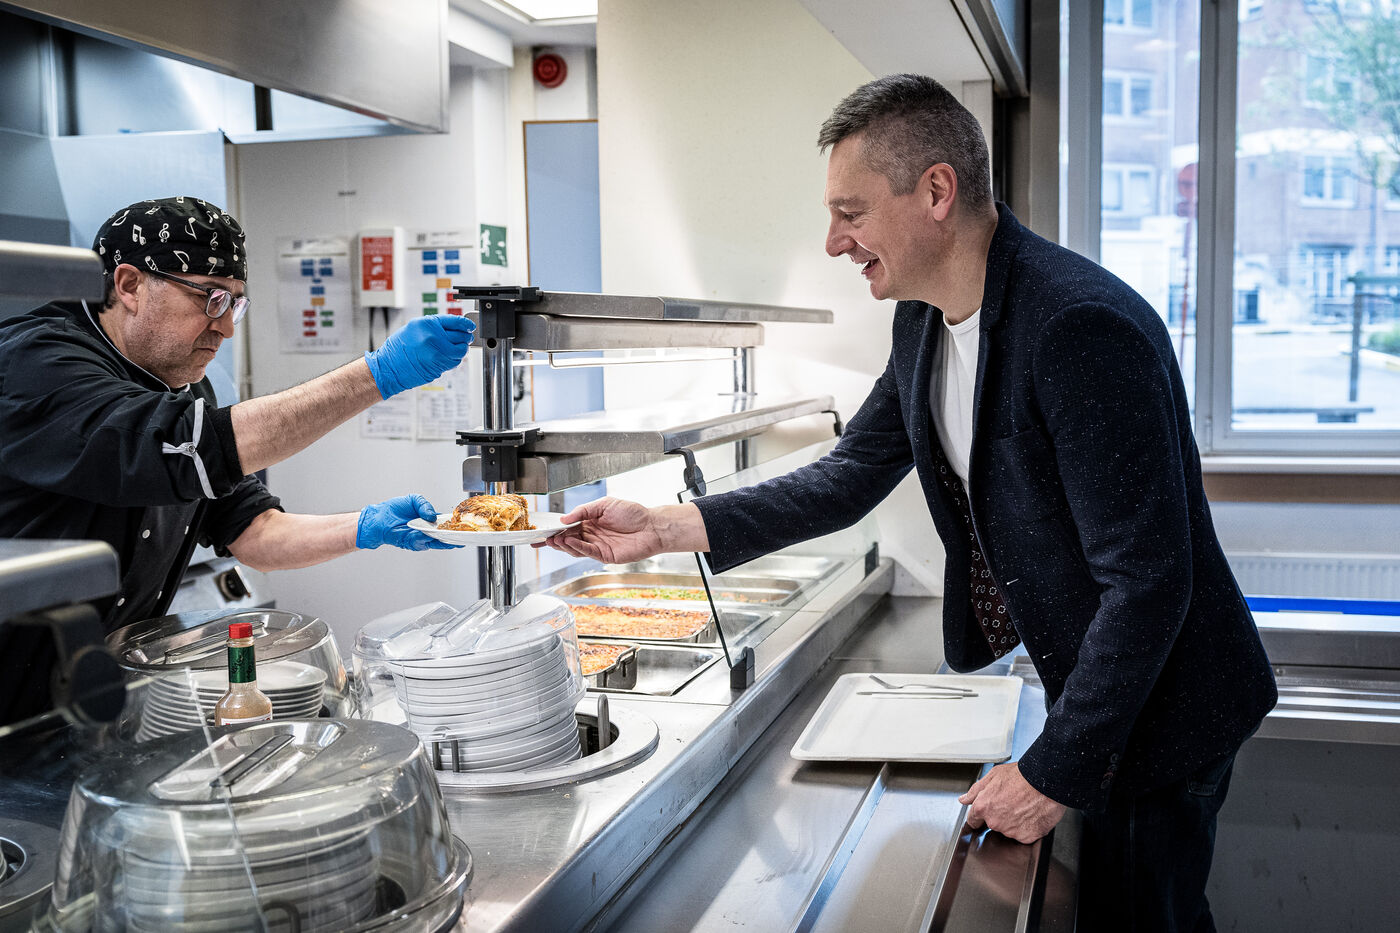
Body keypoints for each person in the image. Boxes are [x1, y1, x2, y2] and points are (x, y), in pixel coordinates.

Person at [541, 75, 1277, 932]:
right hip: (1106, 683)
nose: (833, 242)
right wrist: (665, 527)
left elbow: (1149, 583)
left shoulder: (1076, 325)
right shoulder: (924, 320)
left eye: (850, 213)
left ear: (935, 191)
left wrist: (1050, 773)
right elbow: (851, 472)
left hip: (1165, 709)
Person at [0, 196, 475, 726]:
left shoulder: (181, 385)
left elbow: (252, 530)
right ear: (130, 285)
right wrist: (378, 375)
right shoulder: (35, 363)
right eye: (210, 299)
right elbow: (186, 446)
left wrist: (365, 526)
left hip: (87, 696)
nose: (225, 328)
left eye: (235, 304)